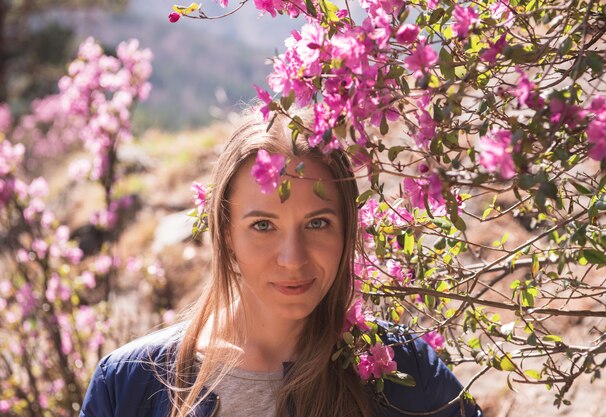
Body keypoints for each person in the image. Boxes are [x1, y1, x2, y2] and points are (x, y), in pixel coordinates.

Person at [79, 111, 483, 417]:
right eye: (262, 225)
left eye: (318, 223)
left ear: (347, 231)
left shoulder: (402, 371)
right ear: (225, 233)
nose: (293, 258)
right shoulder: (128, 383)